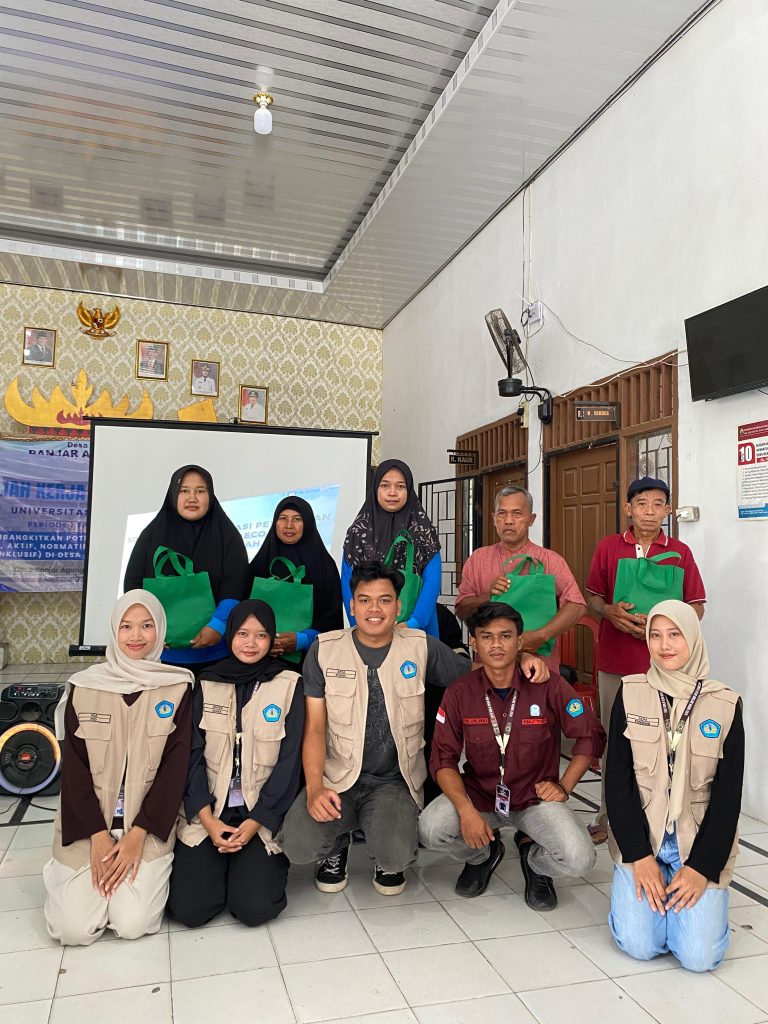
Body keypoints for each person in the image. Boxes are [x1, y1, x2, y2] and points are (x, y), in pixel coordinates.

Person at [280, 561, 549, 896]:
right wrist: (315, 788)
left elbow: (478, 672)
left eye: (384, 600)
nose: (374, 609)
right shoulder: (324, 650)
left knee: (395, 858)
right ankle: (337, 843)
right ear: (352, 606)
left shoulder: (420, 646)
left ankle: (379, 841)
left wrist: (520, 657)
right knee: (298, 845)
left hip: (393, 782)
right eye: (364, 600)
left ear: (398, 606)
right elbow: (315, 729)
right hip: (338, 778)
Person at [420, 601, 605, 908]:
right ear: (474, 643)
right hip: (480, 795)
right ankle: (482, 855)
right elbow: (442, 759)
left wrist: (564, 786)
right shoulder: (459, 692)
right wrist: (466, 811)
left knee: (579, 858)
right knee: (430, 829)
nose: (496, 645)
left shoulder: (547, 685)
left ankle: (535, 864)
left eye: (505, 636)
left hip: (535, 798)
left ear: (520, 642)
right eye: (487, 636)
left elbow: (589, 735)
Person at [43, 591, 193, 945]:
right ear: (114, 630)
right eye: (126, 626)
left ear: (160, 630)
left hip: (147, 825)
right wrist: (97, 837)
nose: (136, 636)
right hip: (87, 825)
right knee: (72, 930)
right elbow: (75, 771)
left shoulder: (177, 687)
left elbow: (175, 770)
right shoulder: (84, 687)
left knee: (132, 924)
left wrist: (138, 834)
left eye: (146, 626)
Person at [605, 601, 743, 972]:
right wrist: (639, 857)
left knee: (700, 957)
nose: (664, 645)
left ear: (693, 638)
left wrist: (701, 868)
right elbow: (616, 781)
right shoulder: (630, 692)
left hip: (695, 842)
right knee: (639, 944)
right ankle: (652, 896)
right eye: (655, 635)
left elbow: (728, 797)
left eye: (675, 634)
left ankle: (691, 901)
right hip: (644, 838)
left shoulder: (725, 704)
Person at [168, 600, 303, 928]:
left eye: (261, 635)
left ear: (272, 639)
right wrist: (207, 819)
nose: (251, 643)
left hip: (261, 813)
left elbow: (290, 762)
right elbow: (191, 755)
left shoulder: (289, 684)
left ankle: (245, 867)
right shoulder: (206, 682)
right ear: (230, 635)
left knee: (254, 909)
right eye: (242, 633)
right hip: (210, 811)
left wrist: (258, 821)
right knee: (190, 910)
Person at [586, 476, 706, 842]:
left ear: (668, 510)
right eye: (641, 504)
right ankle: (608, 815)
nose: (649, 511)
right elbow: (592, 597)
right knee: (615, 740)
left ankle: (664, 816)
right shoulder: (609, 548)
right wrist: (609, 611)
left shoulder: (681, 552)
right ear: (628, 509)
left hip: (668, 666)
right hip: (616, 663)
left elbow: (697, 606)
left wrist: (662, 629)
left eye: (657, 504)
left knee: (666, 741)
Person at [124, 465, 249, 671]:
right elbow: (133, 587)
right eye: (184, 491)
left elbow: (236, 585)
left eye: (200, 491)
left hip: (217, 655)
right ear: (173, 494)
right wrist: (147, 631)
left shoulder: (227, 536)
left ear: (210, 495)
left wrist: (217, 625)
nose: (192, 498)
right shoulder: (150, 536)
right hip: (160, 656)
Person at [455, 486, 586, 670]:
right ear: (494, 518)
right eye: (502, 513)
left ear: (531, 519)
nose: (508, 521)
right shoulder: (478, 559)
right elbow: (461, 611)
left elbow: (577, 606)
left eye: (517, 514)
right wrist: (488, 597)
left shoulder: (549, 560)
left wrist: (542, 635)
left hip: (539, 668)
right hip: (489, 669)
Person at [342, 459, 442, 636]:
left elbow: (432, 582)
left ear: (409, 489)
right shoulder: (358, 532)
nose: (392, 492)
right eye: (385, 485)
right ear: (375, 488)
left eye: (400, 486)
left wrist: (413, 624)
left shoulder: (423, 531)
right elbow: (348, 581)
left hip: (417, 630)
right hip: (368, 628)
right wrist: (361, 624)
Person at [249, 496, 343, 663]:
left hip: (310, 659)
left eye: (297, 519)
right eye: (283, 518)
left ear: (308, 523)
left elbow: (332, 615)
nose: (289, 525)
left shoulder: (325, 565)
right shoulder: (260, 563)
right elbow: (243, 610)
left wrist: (304, 639)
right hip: (258, 656)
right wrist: (260, 640)